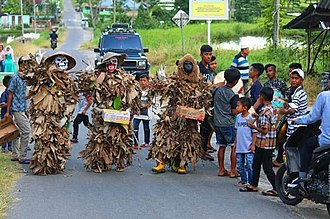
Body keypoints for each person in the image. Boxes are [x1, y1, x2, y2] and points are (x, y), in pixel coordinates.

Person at [240, 87, 278, 196]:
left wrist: (253, 126)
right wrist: (257, 116)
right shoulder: (271, 109)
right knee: (256, 164)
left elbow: (264, 130)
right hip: (268, 142)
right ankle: (253, 184)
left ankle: (277, 187)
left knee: (267, 168)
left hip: (264, 143)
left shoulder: (265, 112)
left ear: (261, 97)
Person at [289, 89, 330, 187]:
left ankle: (302, 178)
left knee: (306, 145)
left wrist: (297, 120)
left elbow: (312, 117)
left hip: (326, 140)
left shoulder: (324, 96)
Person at [275, 68, 308, 168]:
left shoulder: (299, 93)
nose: (293, 80)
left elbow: (293, 110)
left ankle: (292, 168)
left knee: (290, 147)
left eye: (296, 78)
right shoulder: (296, 92)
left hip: (296, 125)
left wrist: (283, 111)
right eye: (292, 78)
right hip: (294, 124)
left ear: (301, 80)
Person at [213, 68, 240, 178]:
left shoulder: (218, 90)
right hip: (228, 123)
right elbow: (233, 111)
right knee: (234, 147)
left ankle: (221, 169)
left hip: (217, 122)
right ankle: (233, 171)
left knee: (222, 146)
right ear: (236, 81)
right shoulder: (233, 95)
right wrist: (241, 109)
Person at [5, 57, 31, 164]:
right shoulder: (15, 78)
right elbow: (10, 95)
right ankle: (22, 156)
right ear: (20, 65)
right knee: (26, 131)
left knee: (18, 132)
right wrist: (7, 111)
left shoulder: (26, 78)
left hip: (23, 108)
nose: (27, 67)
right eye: (25, 65)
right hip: (17, 108)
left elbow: (24, 95)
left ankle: (15, 154)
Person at [235, 97, 256, 186]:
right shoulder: (238, 117)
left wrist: (253, 144)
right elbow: (236, 131)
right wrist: (235, 143)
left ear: (245, 107)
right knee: (240, 164)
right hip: (240, 145)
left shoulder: (250, 118)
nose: (236, 107)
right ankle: (243, 179)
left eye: (238, 106)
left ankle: (251, 182)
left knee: (249, 164)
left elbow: (254, 132)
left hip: (248, 145)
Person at [198, 45, 215, 161]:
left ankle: (203, 150)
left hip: (209, 101)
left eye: (210, 54)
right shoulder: (198, 69)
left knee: (207, 127)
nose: (208, 57)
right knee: (203, 127)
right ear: (201, 55)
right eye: (206, 54)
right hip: (200, 101)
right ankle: (200, 151)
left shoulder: (209, 69)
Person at [133, 74, 151, 149]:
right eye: (141, 80)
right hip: (137, 113)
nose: (142, 82)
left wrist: (146, 105)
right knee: (135, 127)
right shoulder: (136, 90)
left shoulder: (150, 91)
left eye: (144, 80)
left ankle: (147, 142)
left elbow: (151, 101)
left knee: (146, 128)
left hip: (146, 114)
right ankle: (136, 143)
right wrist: (137, 105)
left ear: (147, 81)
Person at [1, 75, 13, 152]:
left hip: (11, 115)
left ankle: (10, 147)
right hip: (4, 114)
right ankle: (3, 147)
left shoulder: (12, 93)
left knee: (11, 131)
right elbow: (2, 105)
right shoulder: (4, 94)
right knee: (4, 131)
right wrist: (9, 103)